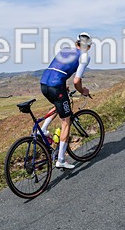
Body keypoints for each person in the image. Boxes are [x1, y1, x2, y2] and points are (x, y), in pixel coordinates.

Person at [39, 32, 92, 169]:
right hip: (56, 86)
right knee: (66, 122)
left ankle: (42, 130)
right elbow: (77, 80)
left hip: (44, 84)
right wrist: (82, 91)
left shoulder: (65, 50)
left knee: (59, 105)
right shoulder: (84, 56)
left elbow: (57, 70)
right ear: (89, 47)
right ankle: (61, 159)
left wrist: (62, 85)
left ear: (76, 43)